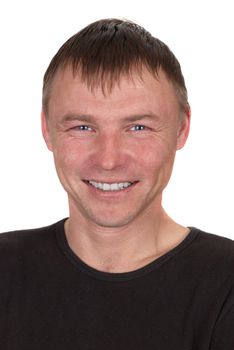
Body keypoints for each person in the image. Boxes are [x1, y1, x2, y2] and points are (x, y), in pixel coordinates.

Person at [0, 18, 233, 349]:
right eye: (82, 127)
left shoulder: (225, 285)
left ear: (182, 129)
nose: (109, 160)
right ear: (47, 129)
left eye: (138, 127)